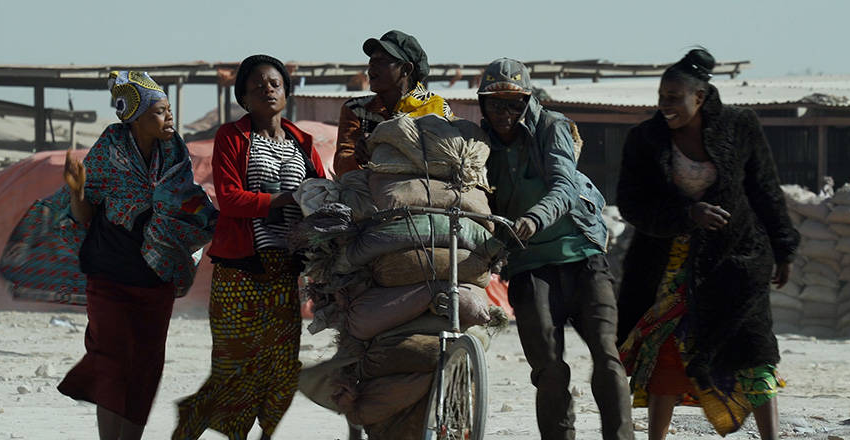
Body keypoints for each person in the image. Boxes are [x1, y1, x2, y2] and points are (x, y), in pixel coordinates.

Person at [0, 71, 217, 440]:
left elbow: (187, 202)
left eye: (169, 110)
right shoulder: (110, 149)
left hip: (156, 276)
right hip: (110, 274)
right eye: (161, 111)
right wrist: (77, 192)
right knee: (112, 359)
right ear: (136, 117)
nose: (170, 117)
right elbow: (85, 216)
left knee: (146, 365)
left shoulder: (175, 151)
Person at [615, 48, 799, 440]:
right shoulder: (645, 140)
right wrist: (687, 214)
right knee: (667, 353)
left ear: (699, 97)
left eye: (674, 97)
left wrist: (784, 248)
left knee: (754, 352)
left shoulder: (740, 127)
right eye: (661, 96)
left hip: (734, 261)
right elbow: (633, 203)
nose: (664, 105)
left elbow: (764, 189)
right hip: (667, 265)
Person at [477, 58, 633, 440]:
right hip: (530, 266)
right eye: (495, 103)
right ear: (482, 105)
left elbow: (563, 185)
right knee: (547, 369)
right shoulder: (481, 145)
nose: (505, 113)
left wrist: (533, 218)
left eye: (514, 103)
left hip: (582, 257)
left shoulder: (552, 126)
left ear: (527, 101)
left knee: (608, 358)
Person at [174, 54, 327, 440]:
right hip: (240, 268)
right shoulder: (232, 137)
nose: (267, 90)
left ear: (287, 91)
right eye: (257, 86)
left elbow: (319, 197)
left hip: (283, 271)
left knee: (281, 367)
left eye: (274, 83)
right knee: (235, 364)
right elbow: (229, 198)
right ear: (244, 96)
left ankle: (219, 423)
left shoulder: (303, 143)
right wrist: (280, 201)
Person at [332, 29, 453, 176]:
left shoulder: (436, 108)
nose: (371, 68)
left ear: (406, 69)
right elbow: (340, 165)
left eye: (381, 61)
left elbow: (449, 157)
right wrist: (357, 157)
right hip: (370, 191)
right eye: (371, 61)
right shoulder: (356, 110)